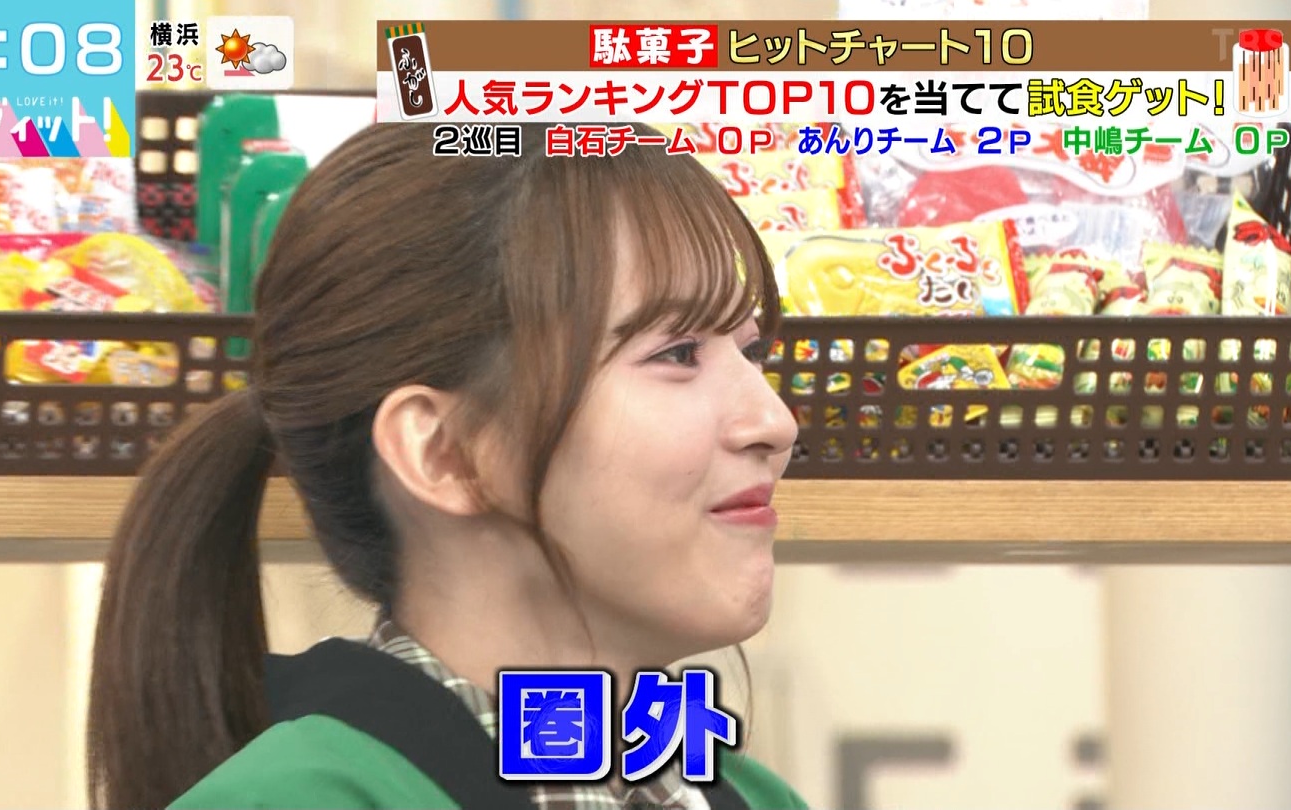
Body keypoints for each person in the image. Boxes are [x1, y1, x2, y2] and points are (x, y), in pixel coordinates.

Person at [86, 122, 806, 810]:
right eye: (677, 353)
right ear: (443, 452)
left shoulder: (756, 797)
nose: (775, 422)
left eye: (751, 352)